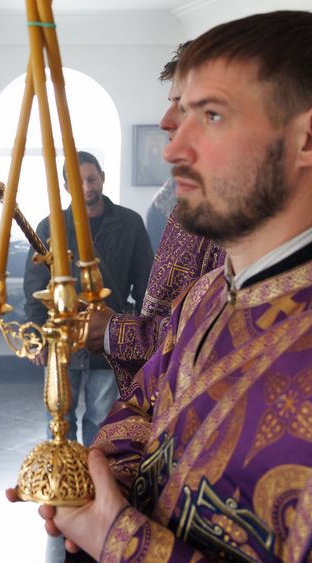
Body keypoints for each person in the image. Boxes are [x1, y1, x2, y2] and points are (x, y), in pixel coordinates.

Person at [26, 11, 312, 561]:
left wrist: (118, 537)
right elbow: (143, 407)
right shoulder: (203, 297)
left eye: (212, 116)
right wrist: (101, 481)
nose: (172, 148)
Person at [84, 47, 226, 395]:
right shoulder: (189, 206)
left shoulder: (237, 222)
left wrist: (116, 330)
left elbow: (217, 339)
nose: (165, 122)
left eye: (185, 105)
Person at [23, 150, 153, 445]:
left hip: (108, 335)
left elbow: (146, 283)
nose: (86, 187)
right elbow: (35, 285)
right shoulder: (49, 227)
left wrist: (142, 334)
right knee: (59, 419)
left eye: (92, 179)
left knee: (102, 417)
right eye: (78, 181)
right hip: (62, 336)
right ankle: (65, 472)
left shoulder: (130, 224)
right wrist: (35, 336)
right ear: (66, 186)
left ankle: (96, 471)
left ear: (102, 178)